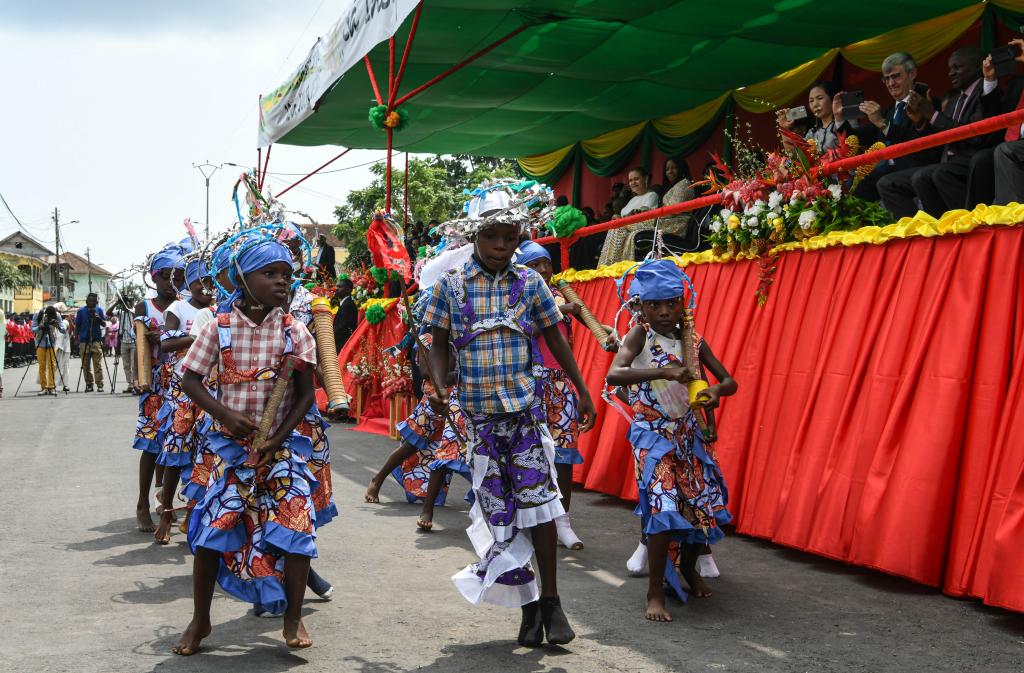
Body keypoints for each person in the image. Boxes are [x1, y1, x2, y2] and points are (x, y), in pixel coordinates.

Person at [422, 181, 596, 647]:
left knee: (539, 509)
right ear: (474, 238)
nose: (502, 246)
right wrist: (439, 385)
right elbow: (436, 346)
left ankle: (554, 602)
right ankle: (528, 605)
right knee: (502, 519)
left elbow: (555, 336)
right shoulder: (451, 287)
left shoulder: (531, 283)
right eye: (492, 237)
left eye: (510, 237)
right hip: (479, 423)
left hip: (524, 414)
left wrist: (581, 388)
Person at [174, 231, 320, 655]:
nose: (281, 282)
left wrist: (277, 438)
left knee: (297, 527)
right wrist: (224, 415)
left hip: (283, 446)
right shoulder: (218, 329)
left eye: (286, 275)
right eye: (269, 273)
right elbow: (190, 379)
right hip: (228, 447)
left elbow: (307, 394)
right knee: (209, 534)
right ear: (241, 278)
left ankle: (293, 618)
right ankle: (200, 620)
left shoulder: (296, 332)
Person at [606, 260, 736, 622]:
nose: (664, 312)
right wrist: (665, 371)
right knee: (662, 508)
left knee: (699, 508)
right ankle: (654, 593)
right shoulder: (639, 336)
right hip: (652, 438)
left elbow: (729, 381)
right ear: (642, 307)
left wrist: (712, 392)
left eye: (671, 303)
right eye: (654, 305)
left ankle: (689, 570)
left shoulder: (693, 340)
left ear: (683, 303)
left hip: (689, 437)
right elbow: (615, 374)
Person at [515, 241, 612, 550]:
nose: (544, 269)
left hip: (562, 385)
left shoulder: (561, 293)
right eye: (535, 265)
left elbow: (589, 321)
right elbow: (523, 329)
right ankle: (528, 520)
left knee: (564, 456)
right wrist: (557, 310)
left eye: (546, 263)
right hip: (532, 385)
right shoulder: (519, 297)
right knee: (530, 455)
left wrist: (608, 333)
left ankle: (563, 523)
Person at [876, 47, 1001, 218]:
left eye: (958, 67)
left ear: (977, 67)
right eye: (950, 69)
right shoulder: (953, 101)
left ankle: (969, 224)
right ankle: (931, 231)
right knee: (888, 183)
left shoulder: (985, 94)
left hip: (970, 159)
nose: (951, 73)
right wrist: (920, 122)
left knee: (932, 174)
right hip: (944, 161)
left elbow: (975, 135)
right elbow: (936, 141)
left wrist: (932, 114)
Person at [153, 259, 215, 545]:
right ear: (188, 282)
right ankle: (166, 513)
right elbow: (165, 344)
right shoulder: (178, 308)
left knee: (205, 455)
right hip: (182, 389)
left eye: (210, 281)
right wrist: (197, 337)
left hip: (211, 390)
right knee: (176, 451)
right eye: (199, 281)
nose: (206, 287)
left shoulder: (219, 310)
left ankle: (193, 514)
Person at [834, 52, 941, 203]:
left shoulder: (926, 103)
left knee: (859, 185)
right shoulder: (888, 111)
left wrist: (883, 124)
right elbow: (855, 139)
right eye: (886, 78)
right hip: (884, 172)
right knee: (847, 186)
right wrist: (839, 118)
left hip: (915, 170)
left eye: (896, 76)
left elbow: (919, 141)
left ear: (912, 74)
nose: (891, 83)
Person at [133, 244, 185, 532]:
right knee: (152, 445)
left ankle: (164, 499)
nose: (171, 282)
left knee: (175, 446)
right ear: (154, 278)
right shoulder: (146, 307)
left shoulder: (185, 303)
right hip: (154, 384)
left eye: (176, 276)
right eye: (165, 276)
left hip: (182, 383)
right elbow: (140, 347)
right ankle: (142, 502)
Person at [598, 166, 660, 266]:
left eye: (636, 179)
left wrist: (622, 219)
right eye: (630, 180)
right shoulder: (632, 199)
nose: (633, 183)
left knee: (618, 228)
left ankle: (614, 265)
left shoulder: (651, 195)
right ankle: (606, 266)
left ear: (646, 179)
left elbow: (642, 215)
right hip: (623, 227)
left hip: (639, 227)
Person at [777, 81, 840, 151]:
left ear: (832, 99)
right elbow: (796, 154)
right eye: (811, 101)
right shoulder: (812, 133)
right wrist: (784, 129)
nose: (815, 104)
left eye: (820, 98)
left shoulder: (843, 124)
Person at [75, 293, 107, 392]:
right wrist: (76, 339)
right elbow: (77, 326)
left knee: (97, 364)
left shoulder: (99, 310)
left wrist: (98, 318)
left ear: (96, 301)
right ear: (86, 301)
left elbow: (104, 324)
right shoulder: (81, 311)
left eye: (93, 301)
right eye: (89, 300)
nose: (91, 302)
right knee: (85, 364)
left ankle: (100, 384)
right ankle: (89, 384)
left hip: (96, 341)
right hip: (84, 341)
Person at [33, 305, 65, 395]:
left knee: (52, 364)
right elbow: (32, 329)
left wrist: (58, 326)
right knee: (42, 366)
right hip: (40, 342)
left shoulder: (57, 315)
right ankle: (44, 388)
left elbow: (63, 330)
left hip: (51, 341)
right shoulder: (38, 314)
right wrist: (40, 327)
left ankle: (51, 387)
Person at [331, 278, 358, 354]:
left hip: (343, 345)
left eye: (340, 287)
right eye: (337, 286)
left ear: (348, 290)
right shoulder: (345, 303)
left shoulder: (348, 305)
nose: (336, 289)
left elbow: (341, 328)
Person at [117, 301, 138, 393]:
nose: (126, 304)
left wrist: (129, 308)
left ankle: (135, 385)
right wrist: (118, 303)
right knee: (126, 365)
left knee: (134, 365)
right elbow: (108, 313)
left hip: (133, 341)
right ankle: (130, 384)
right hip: (123, 341)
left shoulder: (134, 312)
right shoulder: (121, 312)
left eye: (128, 302)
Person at [53, 302, 71, 393]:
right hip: (60, 346)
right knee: (61, 366)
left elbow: (64, 328)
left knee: (62, 366)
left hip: (62, 346)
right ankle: (57, 384)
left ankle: (62, 384)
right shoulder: (62, 321)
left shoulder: (64, 321)